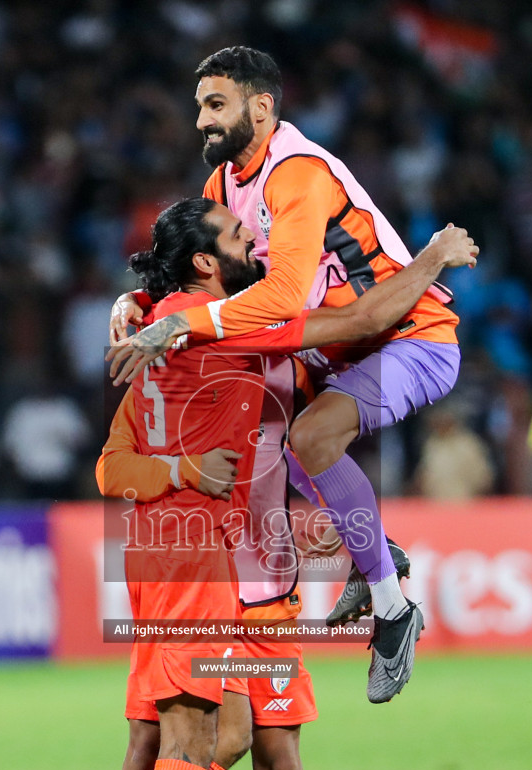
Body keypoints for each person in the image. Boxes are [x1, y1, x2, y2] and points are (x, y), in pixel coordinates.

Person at [84, 198, 476, 770]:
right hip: (202, 566)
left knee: (256, 745)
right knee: (183, 738)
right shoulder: (231, 325)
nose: (255, 243)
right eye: (238, 235)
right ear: (205, 263)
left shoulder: (164, 325)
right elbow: (351, 320)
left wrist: (134, 305)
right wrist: (430, 262)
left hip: (251, 573)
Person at [109, 46, 466, 704]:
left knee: (306, 438)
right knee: (265, 434)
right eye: (199, 108)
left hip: (409, 336)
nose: (201, 122)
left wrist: (180, 325)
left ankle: (392, 610)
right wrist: (140, 301)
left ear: (262, 108)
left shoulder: (297, 175)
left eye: (215, 105)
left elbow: (278, 298)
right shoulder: (222, 188)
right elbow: (193, 266)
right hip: (327, 348)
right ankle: (372, 554)